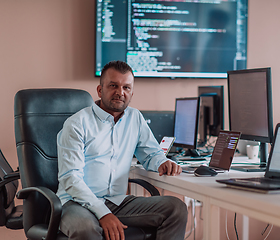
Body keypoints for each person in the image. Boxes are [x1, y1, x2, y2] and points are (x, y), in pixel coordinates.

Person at [56, 60, 187, 240]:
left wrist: (162, 162)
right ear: (100, 90)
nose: (120, 92)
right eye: (113, 86)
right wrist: (103, 213)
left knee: (175, 209)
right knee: (85, 228)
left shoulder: (135, 118)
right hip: (76, 202)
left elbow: (151, 154)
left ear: (132, 92)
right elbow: (70, 178)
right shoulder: (77, 124)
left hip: (117, 201)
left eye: (126, 87)